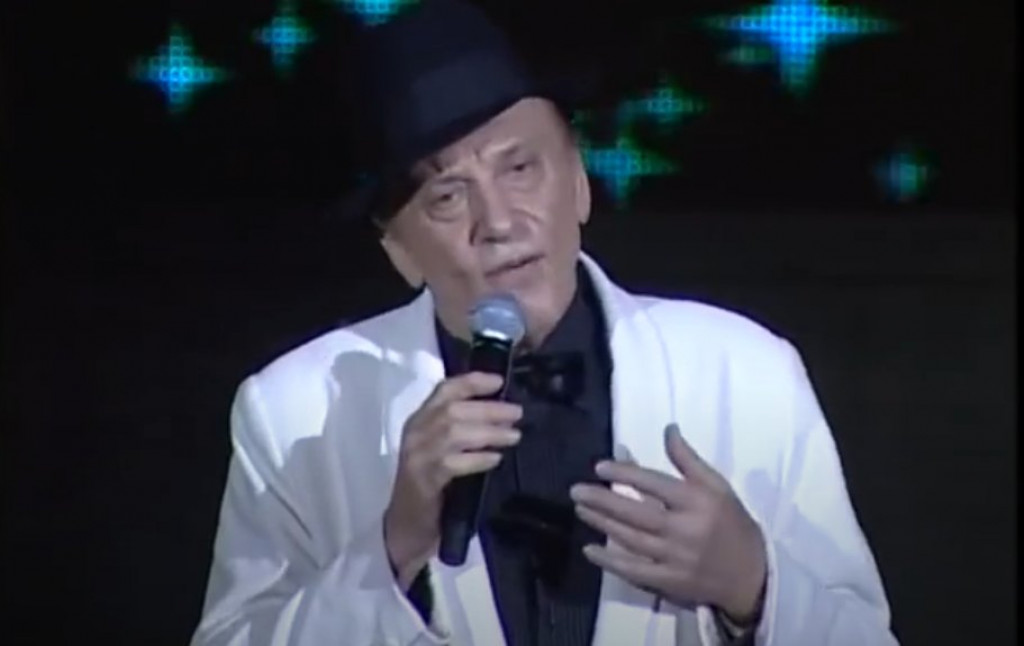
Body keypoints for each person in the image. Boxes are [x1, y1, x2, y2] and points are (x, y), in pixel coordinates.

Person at [191, 1, 899, 644]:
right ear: (399, 250)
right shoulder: (292, 411)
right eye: (447, 197)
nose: (498, 223)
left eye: (520, 169)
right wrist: (391, 548)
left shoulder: (747, 371)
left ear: (581, 182)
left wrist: (753, 585)